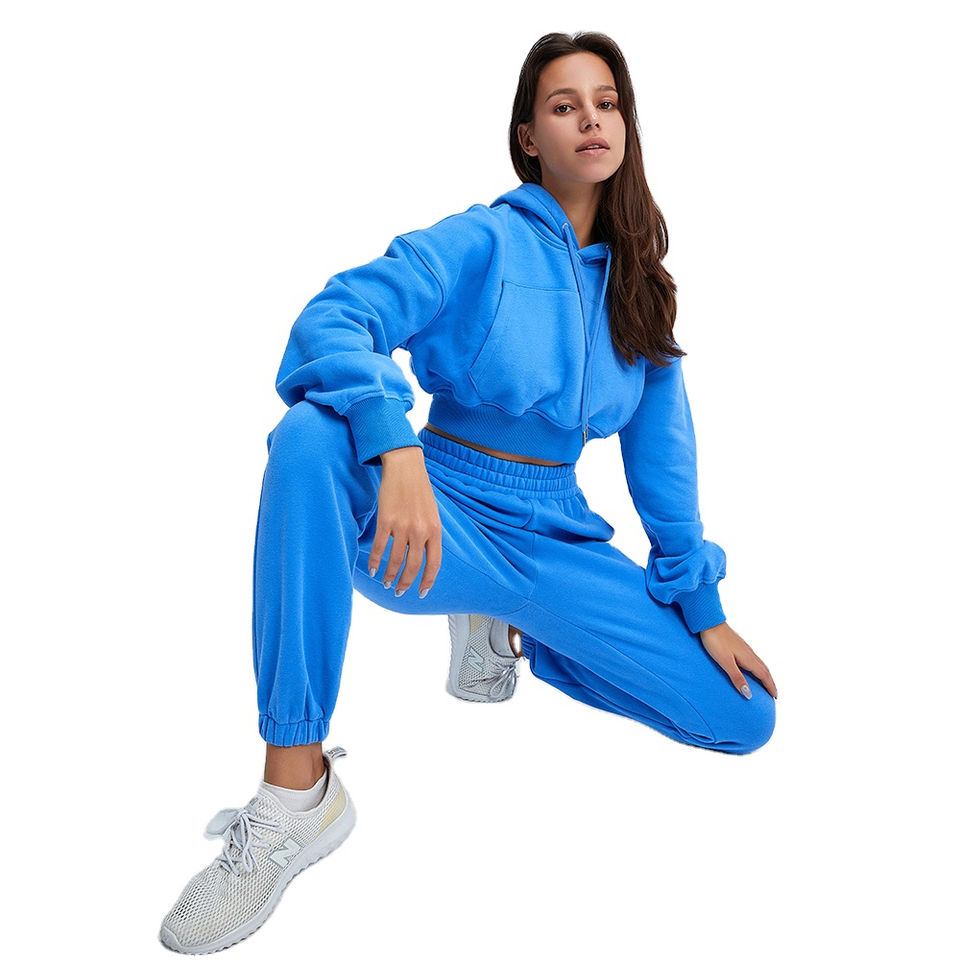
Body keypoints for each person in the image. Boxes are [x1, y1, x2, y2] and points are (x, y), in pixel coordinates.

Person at [159, 30, 778, 954]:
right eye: (565, 105)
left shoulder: (642, 287)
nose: (591, 120)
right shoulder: (482, 240)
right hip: (430, 518)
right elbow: (336, 315)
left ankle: (513, 629)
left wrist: (703, 606)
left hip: (556, 538)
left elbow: (665, 461)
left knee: (743, 717)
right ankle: (296, 789)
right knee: (308, 437)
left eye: (607, 103)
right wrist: (394, 445)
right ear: (529, 135)